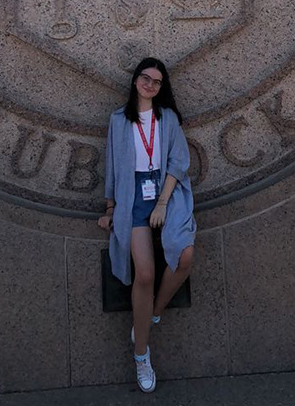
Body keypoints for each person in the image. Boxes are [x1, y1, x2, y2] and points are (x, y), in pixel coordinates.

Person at [97, 57, 196, 393]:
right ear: (136, 81)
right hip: (132, 195)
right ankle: (142, 354)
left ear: (161, 87)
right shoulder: (118, 121)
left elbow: (179, 162)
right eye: (145, 78)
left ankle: (150, 315)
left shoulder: (167, 119)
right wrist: (110, 209)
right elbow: (112, 166)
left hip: (167, 190)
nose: (150, 85)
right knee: (145, 274)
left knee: (184, 257)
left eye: (156, 81)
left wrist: (164, 203)